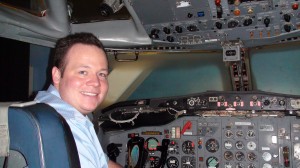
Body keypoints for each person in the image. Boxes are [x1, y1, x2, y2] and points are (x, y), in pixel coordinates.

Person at [35, 33, 122, 168]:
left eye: (101, 74)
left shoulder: (49, 107)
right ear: (57, 76)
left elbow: (104, 164)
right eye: (83, 72)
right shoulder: (65, 125)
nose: (95, 83)